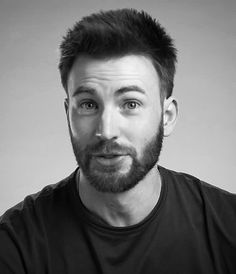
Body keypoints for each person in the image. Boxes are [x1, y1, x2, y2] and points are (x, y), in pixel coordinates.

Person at [0, 8, 235, 274]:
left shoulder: (228, 227)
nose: (106, 130)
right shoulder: (15, 243)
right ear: (68, 114)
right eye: (88, 104)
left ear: (167, 117)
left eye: (130, 103)